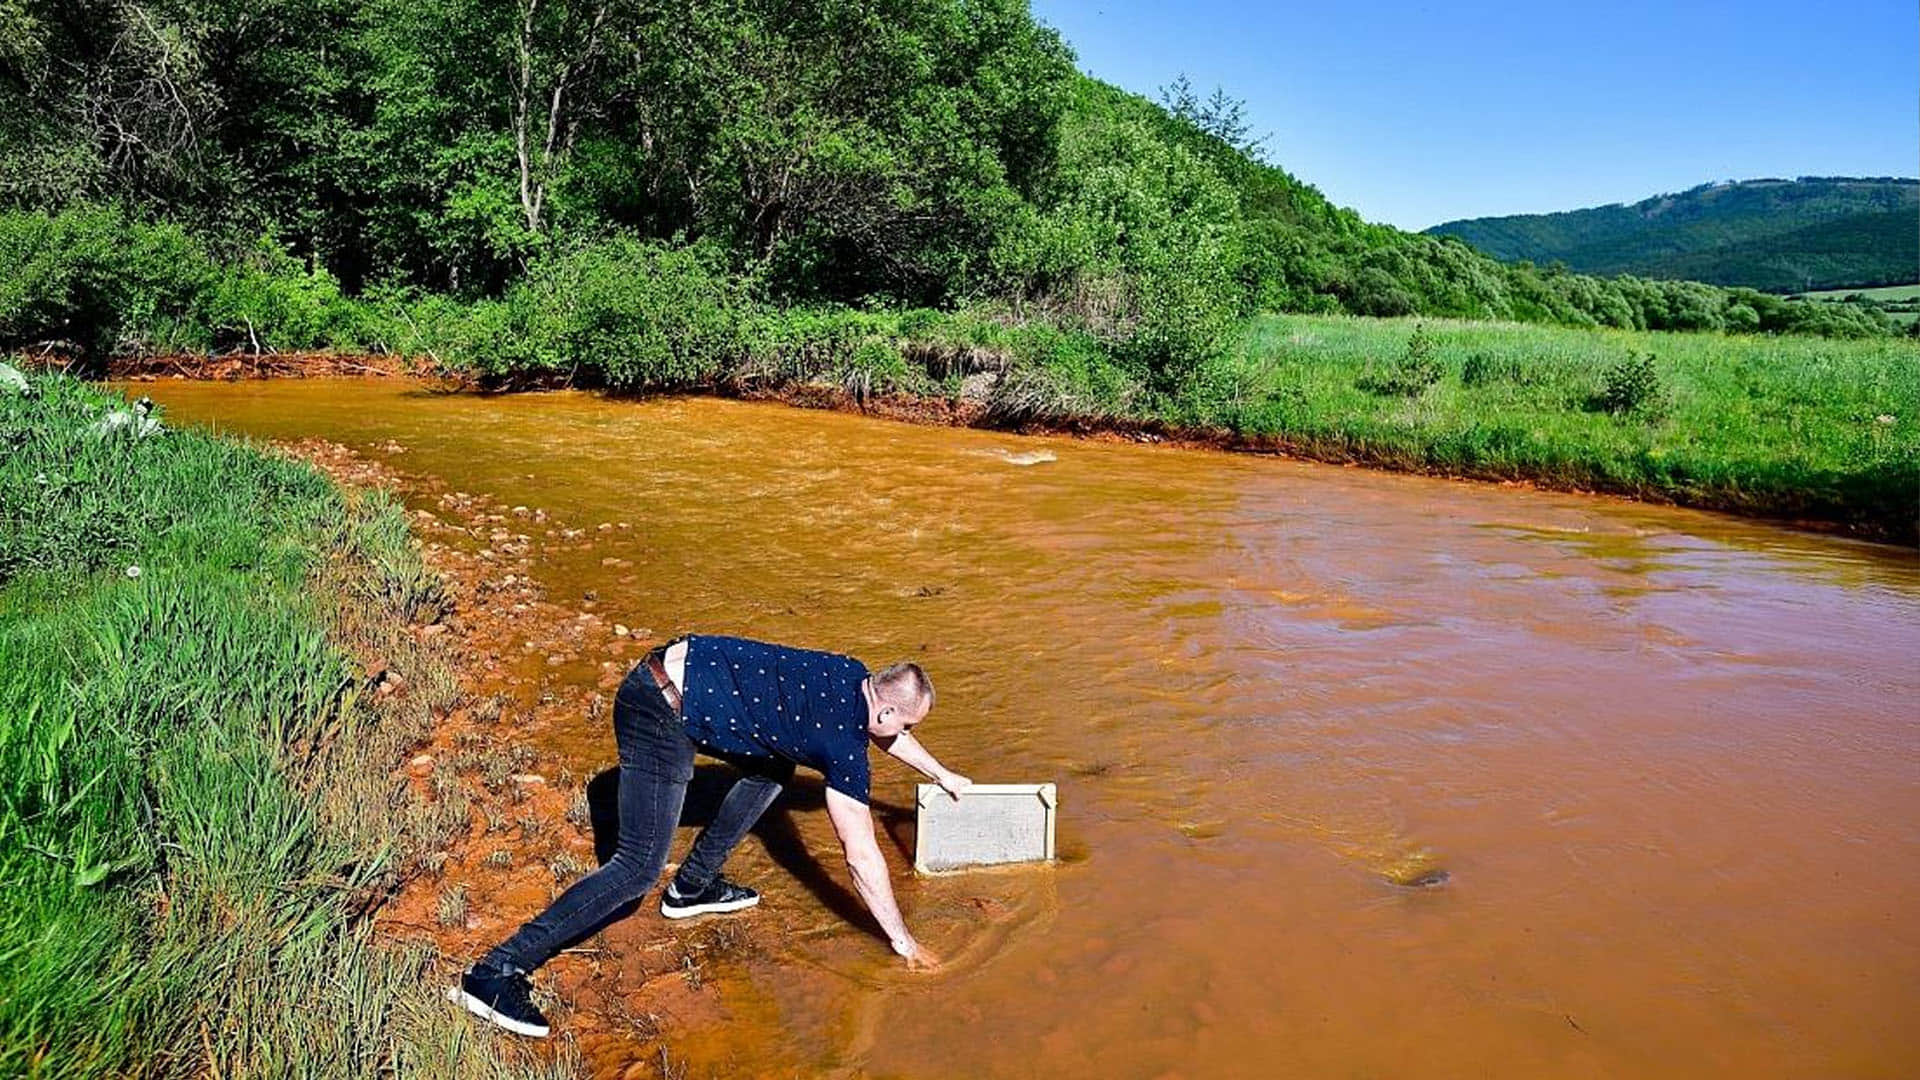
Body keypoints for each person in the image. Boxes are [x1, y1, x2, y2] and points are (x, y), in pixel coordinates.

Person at [449, 633, 971, 1038]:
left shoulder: (852, 676)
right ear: (883, 710)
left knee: (773, 768)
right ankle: (494, 973)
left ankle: (693, 887)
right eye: (908, 726)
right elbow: (860, 857)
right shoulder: (841, 744)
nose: (906, 736)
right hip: (658, 711)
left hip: (674, 670)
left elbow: (884, 732)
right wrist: (903, 942)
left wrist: (941, 775)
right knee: (635, 869)